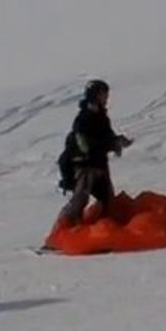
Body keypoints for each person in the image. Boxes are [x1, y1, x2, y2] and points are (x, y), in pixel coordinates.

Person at [57, 79, 132, 226]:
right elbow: (86, 146)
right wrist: (111, 143)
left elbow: (107, 137)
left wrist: (117, 142)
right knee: (80, 200)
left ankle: (103, 233)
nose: (106, 98)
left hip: (99, 165)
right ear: (95, 96)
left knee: (108, 200)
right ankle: (64, 231)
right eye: (103, 94)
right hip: (84, 166)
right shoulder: (83, 119)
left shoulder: (102, 118)